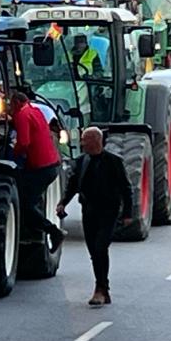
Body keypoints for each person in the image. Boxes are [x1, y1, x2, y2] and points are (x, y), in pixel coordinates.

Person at [57, 126, 134, 307]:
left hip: (108, 212)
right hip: (89, 211)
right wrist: (63, 203)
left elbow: (126, 188)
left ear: (96, 141)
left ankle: (100, 288)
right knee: (94, 251)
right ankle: (103, 289)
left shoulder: (114, 162)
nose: (82, 144)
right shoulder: (82, 161)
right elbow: (73, 184)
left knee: (100, 248)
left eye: (86, 140)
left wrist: (128, 213)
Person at [8, 89, 63, 244]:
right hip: (52, 164)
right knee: (31, 198)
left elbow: (24, 143)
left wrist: (14, 151)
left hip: (40, 167)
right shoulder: (36, 110)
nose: (10, 109)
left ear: (17, 103)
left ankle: (52, 231)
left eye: (10, 105)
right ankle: (36, 232)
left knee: (25, 203)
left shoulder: (22, 115)